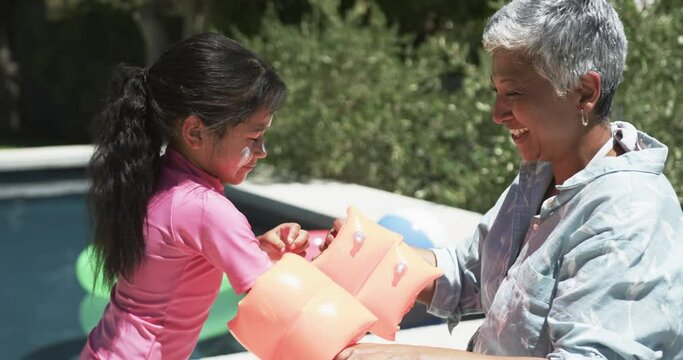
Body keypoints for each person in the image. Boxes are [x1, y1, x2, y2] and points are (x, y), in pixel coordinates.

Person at [335, 0, 683, 359]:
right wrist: (357, 253)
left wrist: (399, 356)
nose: (497, 114)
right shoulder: (544, 175)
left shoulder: (629, 213)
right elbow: (470, 273)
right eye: (495, 92)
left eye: (513, 93)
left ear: (585, 92)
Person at [80, 33, 309, 359]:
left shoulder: (154, 175)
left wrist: (254, 247)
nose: (263, 152)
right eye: (255, 136)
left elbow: (176, 259)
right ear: (195, 132)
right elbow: (275, 303)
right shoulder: (205, 208)